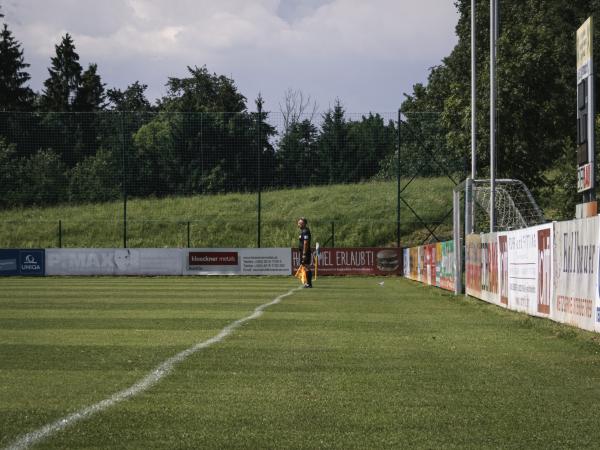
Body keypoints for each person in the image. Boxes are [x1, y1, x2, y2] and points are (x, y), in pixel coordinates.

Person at [297, 217, 313, 288]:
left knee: (306, 267)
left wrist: (304, 253)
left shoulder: (305, 231)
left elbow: (306, 243)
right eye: (298, 223)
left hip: (305, 252)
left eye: (300, 223)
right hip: (304, 252)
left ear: (304, 224)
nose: (299, 224)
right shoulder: (303, 231)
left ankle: (309, 284)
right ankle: (308, 283)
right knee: (305, 266)